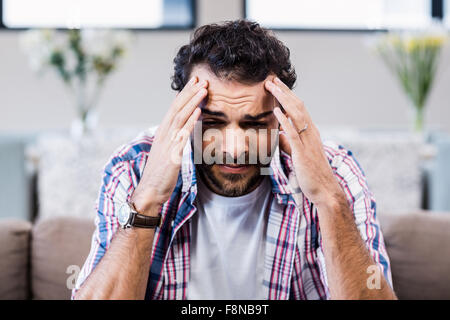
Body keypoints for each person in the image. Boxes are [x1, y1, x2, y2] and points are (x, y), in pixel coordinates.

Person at [72, 19, 396, 300]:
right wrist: (147, 200)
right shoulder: (134, 167)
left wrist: (328, 199)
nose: (235, 148)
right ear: (183, 114)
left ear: (281, 117)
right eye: (213, 123)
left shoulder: (334, 170)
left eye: (254, 124)